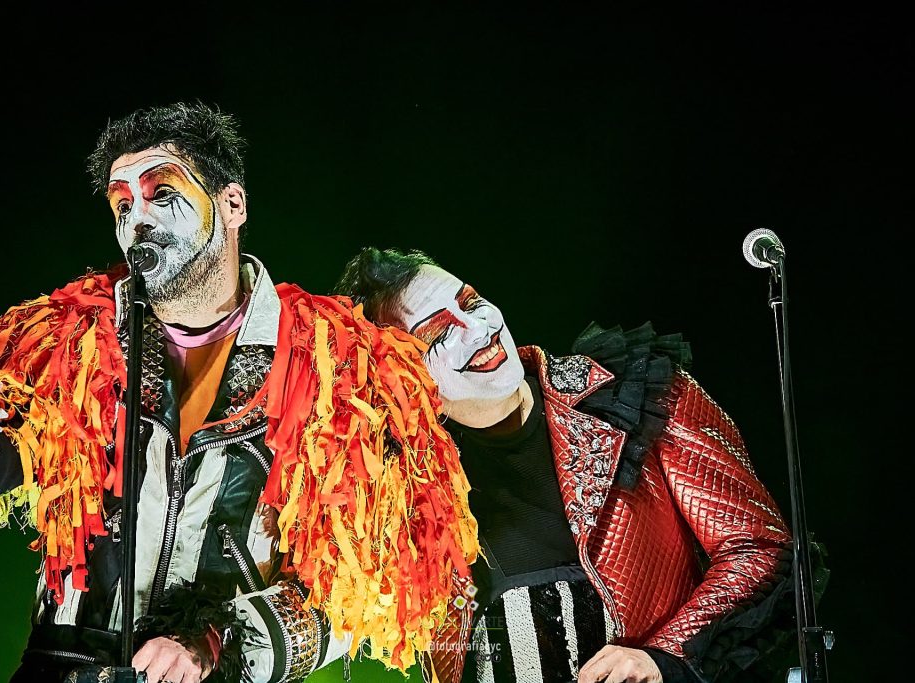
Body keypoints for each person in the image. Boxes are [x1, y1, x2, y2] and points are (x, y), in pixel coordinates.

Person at [0, 105, 478, 683]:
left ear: (232, 205)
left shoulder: (334, 362)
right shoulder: (73, 339)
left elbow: (358, 587)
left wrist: (215, 640)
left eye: (161, 193)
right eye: (122, 205)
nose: (138, 221)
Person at [334, 248, 797, 683]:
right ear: (400, 377)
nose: (479, 328)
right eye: (439, 333)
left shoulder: (637, 396)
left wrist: (661, 658)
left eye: (471, 303)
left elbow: (760, 549)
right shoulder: (402, 489)